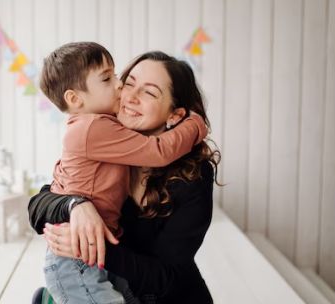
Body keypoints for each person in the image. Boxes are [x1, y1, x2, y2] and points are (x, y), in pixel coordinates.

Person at [29, 51, 220, 303]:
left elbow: (167, 275)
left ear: (174, 116)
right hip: (109, 283)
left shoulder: (194, 177)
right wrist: (75, 205)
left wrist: (97, 250)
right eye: (129, 83)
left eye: (149, 92)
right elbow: (40, 203)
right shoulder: (104, 141)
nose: (129, 95)